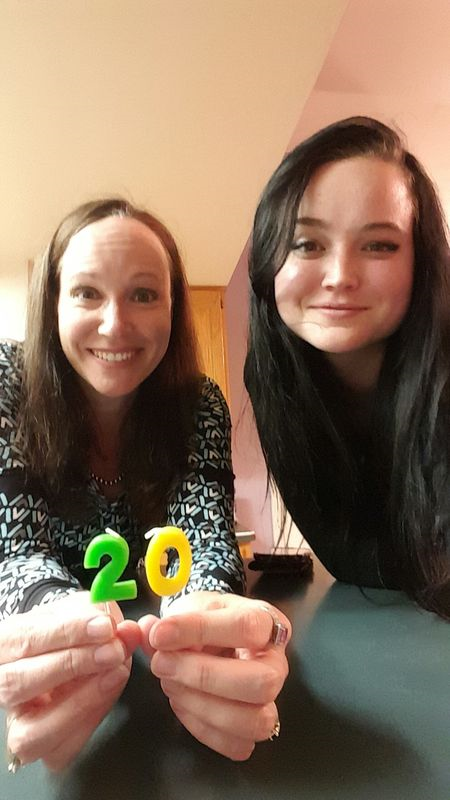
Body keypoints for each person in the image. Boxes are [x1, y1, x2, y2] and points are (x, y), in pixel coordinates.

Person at [0, 198, 290, 771]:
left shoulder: (198, 403)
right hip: (49, 664)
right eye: (86, 293)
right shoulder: (8, 381)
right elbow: (15, 548)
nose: (115, 323)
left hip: (160, 664)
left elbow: (206, 540)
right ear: (53, 304)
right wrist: (63, 614)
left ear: (173, 309)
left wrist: (201, 617)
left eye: (143, 294)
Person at [244, 116, 450, 620]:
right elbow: (349, 560)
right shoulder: (274, 374)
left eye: (379, 245)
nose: (340, 276)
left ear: (420, 261)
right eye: (307, 244)